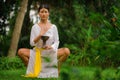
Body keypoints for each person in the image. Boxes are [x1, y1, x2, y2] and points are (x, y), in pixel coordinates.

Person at [18, 4, 70, 78]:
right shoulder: (35, 27)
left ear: (48, 13)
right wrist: (39, 35)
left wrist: (51, 47)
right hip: (38, 52)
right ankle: (31, 70)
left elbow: (57, 41)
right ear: (39, 13)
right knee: (20, 52)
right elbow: (32, 43)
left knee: (66, 51)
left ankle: (57, 69)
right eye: (42, 12)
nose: (44, 14)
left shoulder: (53, 27)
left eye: (45, 12)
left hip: (50, 52)